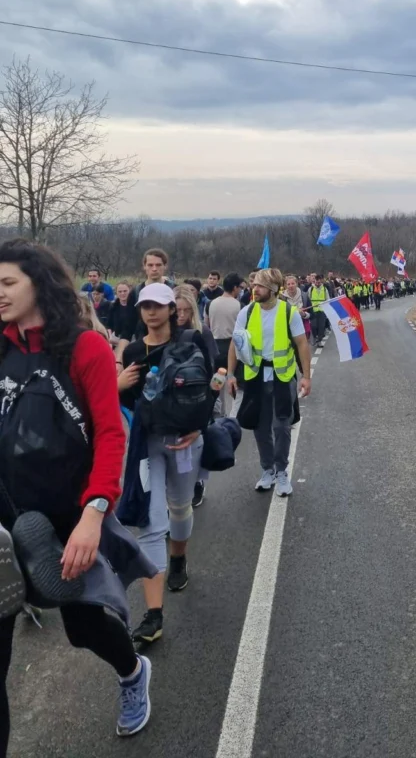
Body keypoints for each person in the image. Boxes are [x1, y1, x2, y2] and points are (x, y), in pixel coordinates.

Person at [0, 239, 152, 748]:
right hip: (7, 517)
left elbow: (110, 434)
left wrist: (93, 514)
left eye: (8, 283)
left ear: (40, 284)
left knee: (84, 629)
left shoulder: (84, 348)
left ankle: (132, 672)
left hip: (70, 512)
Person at [119, 284, 211, 645]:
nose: (151, 312)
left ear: (172, 309)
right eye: (145, 306)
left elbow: (211, 383)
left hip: (186, 441)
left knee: (180, 507)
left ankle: (179, 559)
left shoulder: (192, 340)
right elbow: (126, 401)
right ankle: (154, 616)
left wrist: (199, 427)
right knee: (152, 523)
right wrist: (118, 384)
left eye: (158, 305)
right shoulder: (133, 351)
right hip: (148, 444)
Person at [227, 269, 311, 497]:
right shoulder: (247, 311)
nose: (254, 289)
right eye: (254, 285)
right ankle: (267, 470)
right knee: (260, 426)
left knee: (281, 425)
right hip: (255, 377)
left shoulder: (288, 312)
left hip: (282, 376)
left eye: (260, 286)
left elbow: (302, 344)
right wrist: (231, 374)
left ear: (273, 289)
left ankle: (282, 471)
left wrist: (306, 376)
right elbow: (235, 343)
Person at [174, 284, 219, 510]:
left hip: (198, 394)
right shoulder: (166, 332)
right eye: (177, 310)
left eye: (186, 310)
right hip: (173, 397)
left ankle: (198, 482)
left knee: (197, 442)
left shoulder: (202, 332)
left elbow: (212, 365)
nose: (181, 315)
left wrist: (211, 396)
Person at [108, 281, 138, 363]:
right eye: (120, 291)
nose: (122, 294)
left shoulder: (136, 307)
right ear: (116, 293)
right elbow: (109, 325)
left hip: (133, 341)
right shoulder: (113, 307)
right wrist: (110, 338)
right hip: (116, 341)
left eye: (125, 291)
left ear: (129, 291)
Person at [282, 274, 311, 339]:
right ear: (285, 286)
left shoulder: (304, 296)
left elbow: (311, 314)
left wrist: (304, 314)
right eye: (288, 284)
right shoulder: (282, 298)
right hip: (288, 330)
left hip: (302, 328)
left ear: (297, 284)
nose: (291, 286)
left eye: (293, 283)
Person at [308, 272, 330, 346]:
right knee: (314, 326)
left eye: (319, 282)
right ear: (314, 281)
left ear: (321, 281)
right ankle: (315, 337)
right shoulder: (310, 289)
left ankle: (319, 341)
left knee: (321, 327)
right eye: (316, 282)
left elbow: (328, 299)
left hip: (322, 311)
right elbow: (308, 299)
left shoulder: (325, 289)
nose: (318, 284)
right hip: (313, 311)